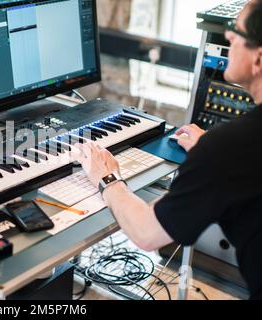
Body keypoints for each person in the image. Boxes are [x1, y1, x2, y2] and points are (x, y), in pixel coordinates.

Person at [72, 0, 262, 300]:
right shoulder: (234, 149)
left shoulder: (231, 148)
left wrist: (107, 178)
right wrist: (212, 153)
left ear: (259, 59)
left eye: (235, 31)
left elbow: (147, 233)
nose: (228, 38)